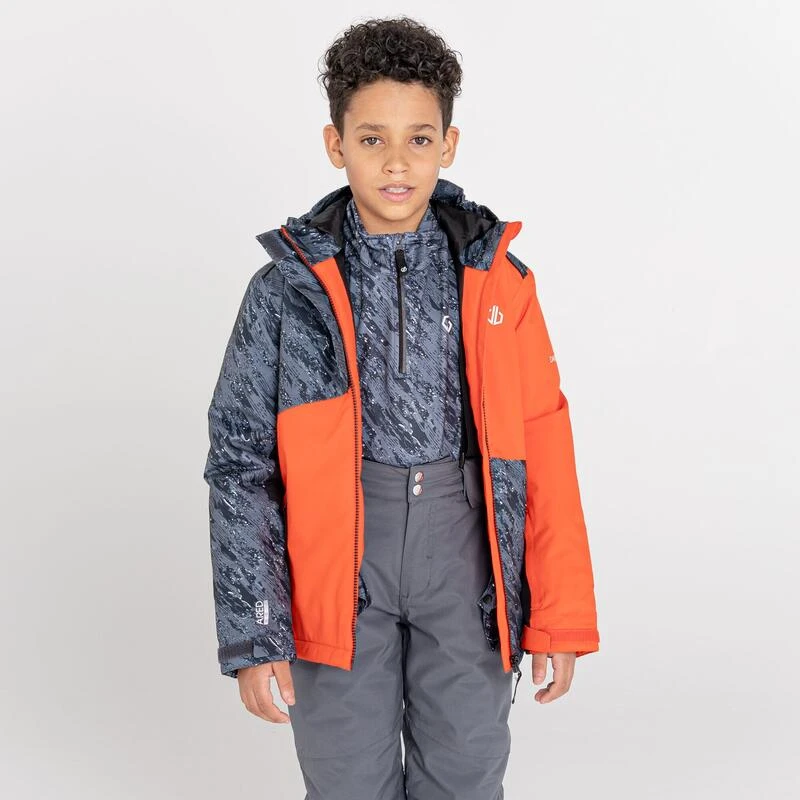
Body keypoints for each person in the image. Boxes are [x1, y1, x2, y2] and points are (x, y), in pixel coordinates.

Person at [203, 15, 599, 800]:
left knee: (467, 768)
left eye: (418, 139)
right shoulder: (287, 291)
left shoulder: (500, 283)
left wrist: (557, 613)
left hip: (466, 560)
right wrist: (256, 629)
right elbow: (241, 462)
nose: (395, 162)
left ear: (448, 145)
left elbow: (544, 447)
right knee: (345, 776)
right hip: (336, 565)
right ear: (336, 144)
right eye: (371, 139)